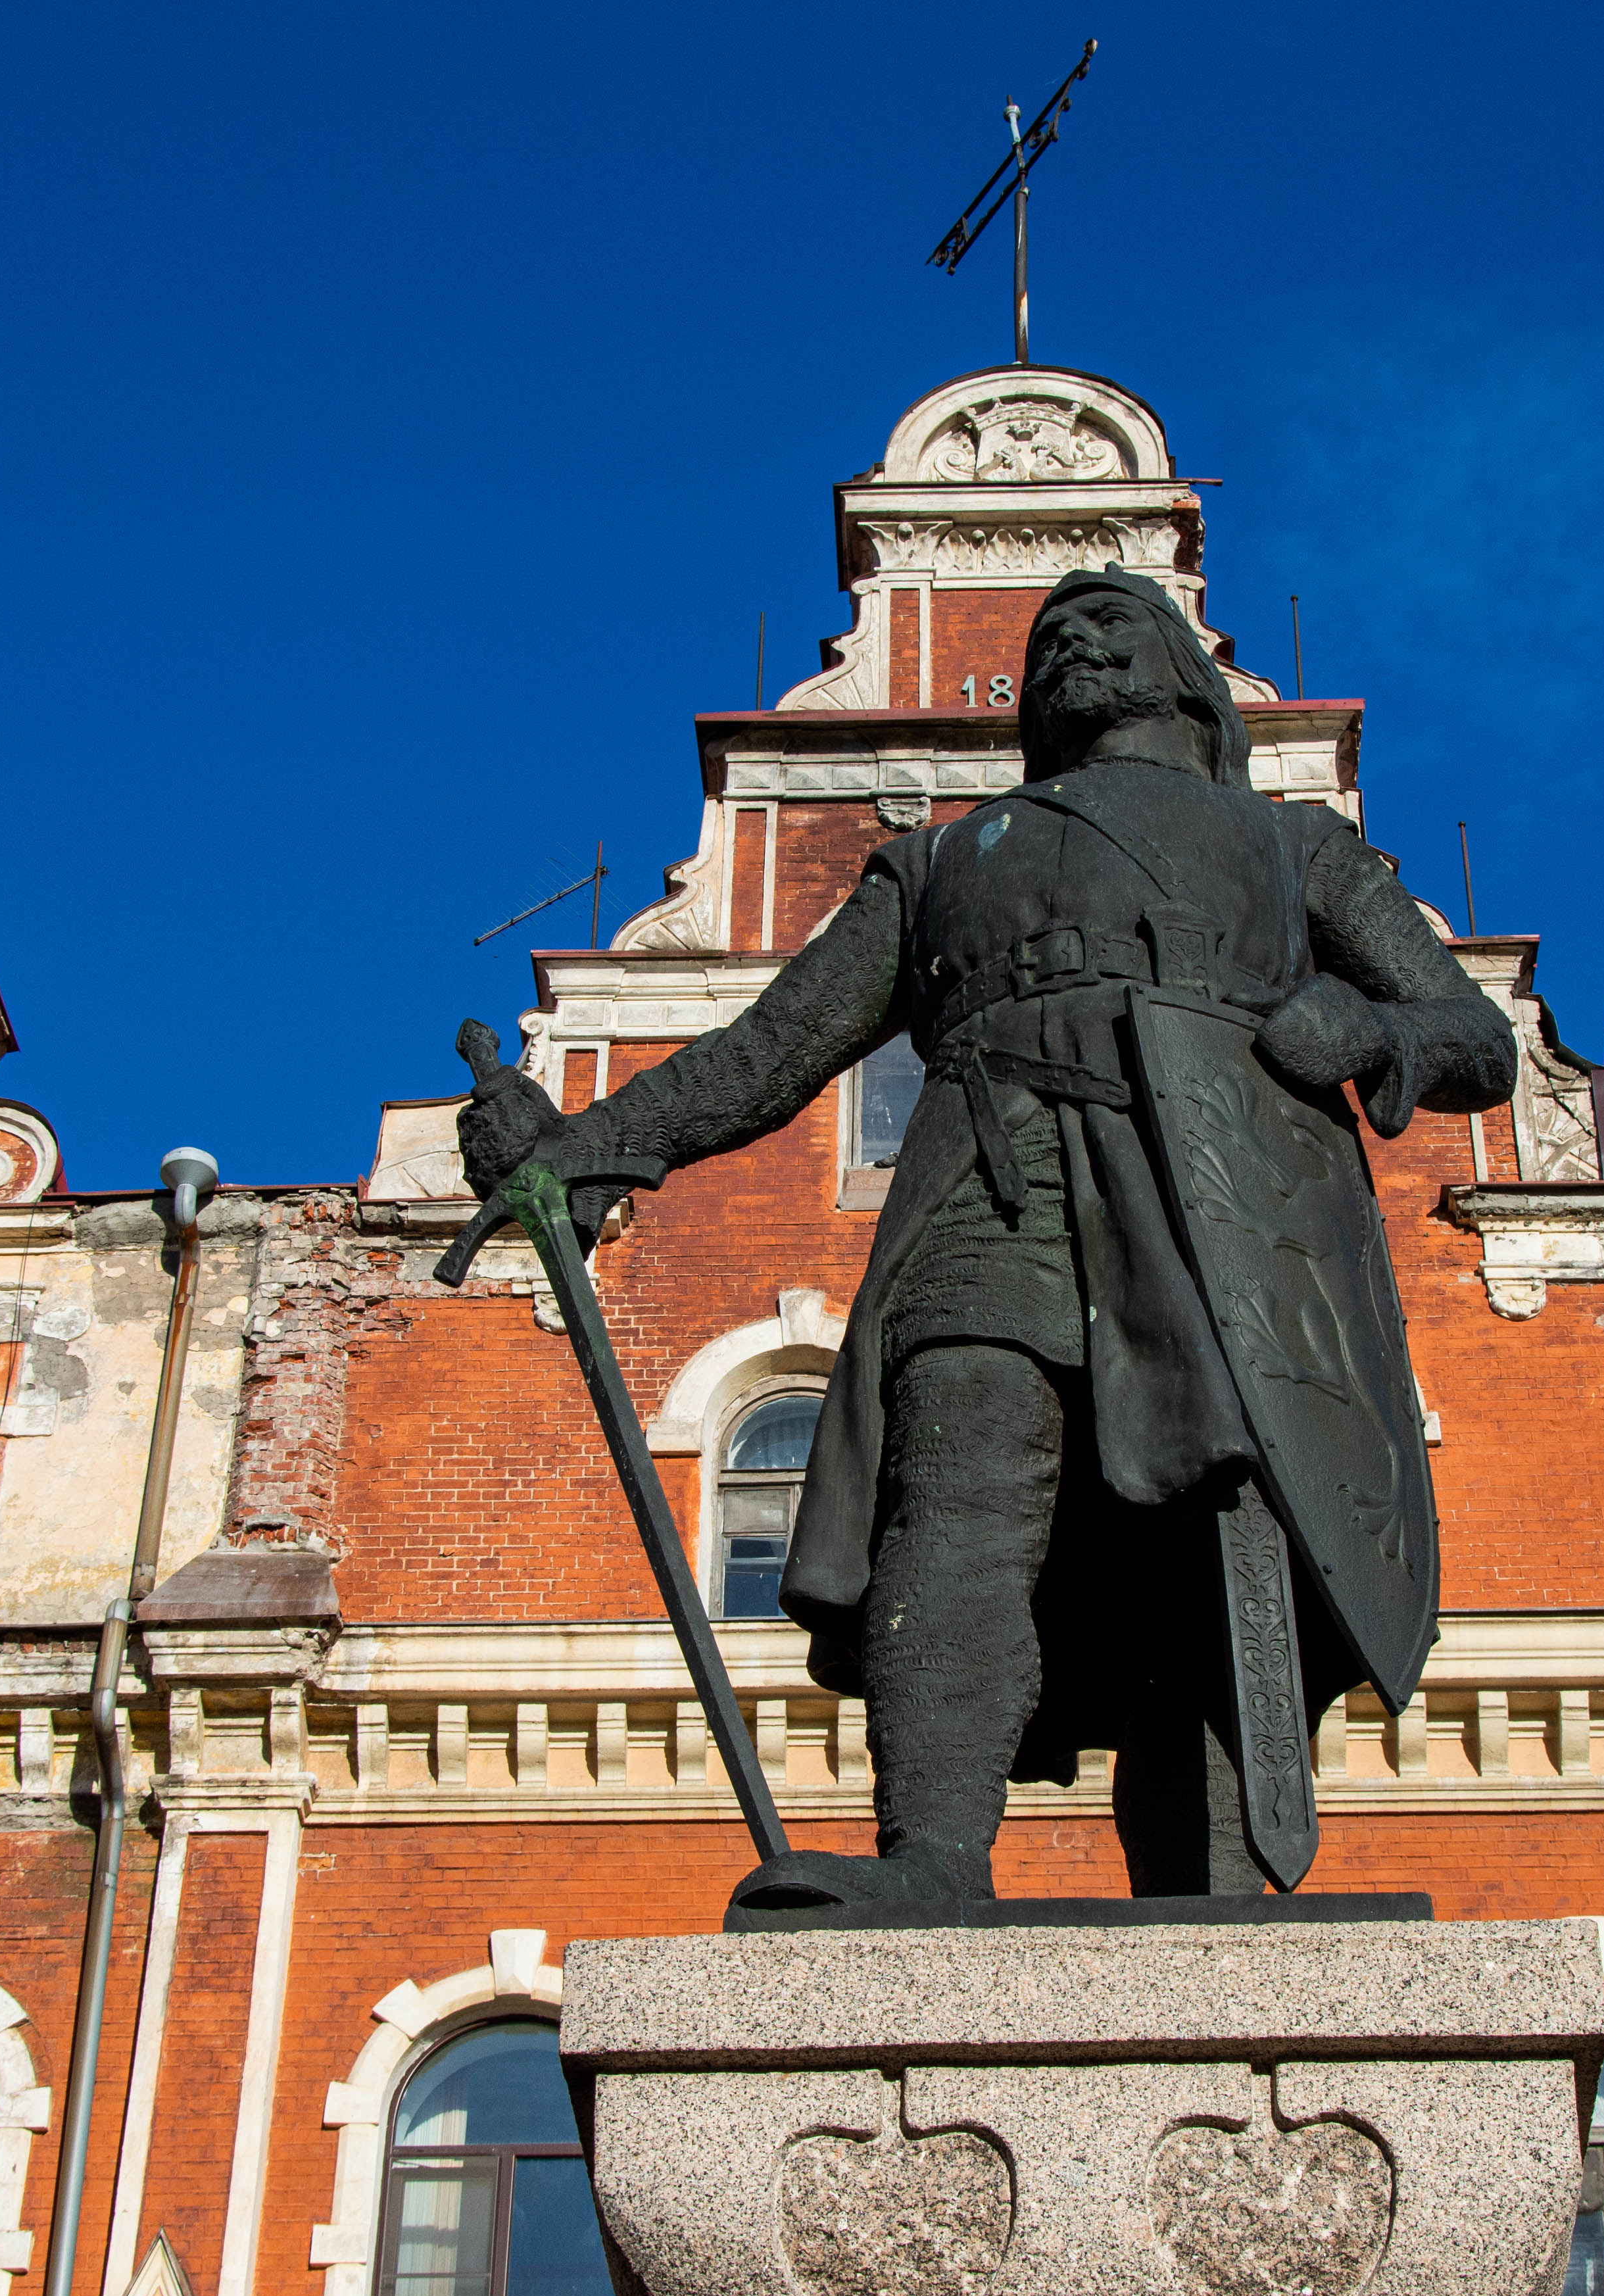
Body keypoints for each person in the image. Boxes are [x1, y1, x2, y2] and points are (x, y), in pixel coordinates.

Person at [458, 568, 1512, 1906]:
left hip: (1220, 1221)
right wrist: (582, 1145)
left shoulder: (1294, 851)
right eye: (1051, 637)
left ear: (1185, 675)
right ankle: (934, 1860)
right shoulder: (947, 862)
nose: (1075, 643)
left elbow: (1474, 1039)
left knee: (1200, 1544)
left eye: (1111, 624)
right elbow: (775, 1049)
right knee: (955, 1484)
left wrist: (1374, 1032)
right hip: (989, 1189)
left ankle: (1224, 1887)